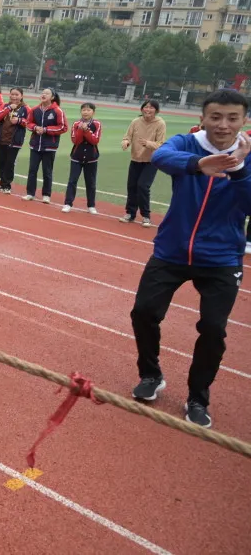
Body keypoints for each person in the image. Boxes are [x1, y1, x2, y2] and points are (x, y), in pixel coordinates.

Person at [130, 90, 251, 428]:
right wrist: (198, 165)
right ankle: (151, 375)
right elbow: (161, 157)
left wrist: (239, 169)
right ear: (204, 118)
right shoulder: (188, 143)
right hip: (172, 250)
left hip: (222, 258)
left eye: (232, 118)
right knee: (143, 312)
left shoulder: (249, 155)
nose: (223, 125)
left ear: (243, 121)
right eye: (215, 117)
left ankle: (198, 397)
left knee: (213, 329)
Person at [120, 99, 167, 227]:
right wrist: (125, 142)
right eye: (146, 107)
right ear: (142, 109)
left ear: (156, 111)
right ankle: (130, 213)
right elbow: (127, 136)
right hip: (135, 159)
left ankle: (146, 216)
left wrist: (148, 143)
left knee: (143, 186)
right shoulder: (136, 121)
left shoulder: (160, 123)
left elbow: (161, 144)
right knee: (132, 186)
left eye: (151, 108)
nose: (148, 110)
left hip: (151, 161)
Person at [22, 89, 68, 204]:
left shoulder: (57, 111)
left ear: (52, 97)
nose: (43, 95)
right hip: (35, 145)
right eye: (42, 93)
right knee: (32, 170)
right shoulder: (34, 110)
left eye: (47, 93)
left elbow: (63, 127)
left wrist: (46, 130)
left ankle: (46, 195)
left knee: (47, 171)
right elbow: (28, 123)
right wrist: (35, 128)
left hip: (49, 146)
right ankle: (30, 193)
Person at [62, 102, 102, 214]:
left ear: (93, 112)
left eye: (88, 110)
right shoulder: (76, 124)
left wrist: (87, 130)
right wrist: (80, 129)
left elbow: (95, 140)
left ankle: (91, 205)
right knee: (72, 181)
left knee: (91, 182)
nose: (86, 112)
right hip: (77, 157)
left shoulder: (97, 124)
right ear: (81, 111)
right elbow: (76, 141)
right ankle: (68, 203)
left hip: (91, 158)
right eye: (84, 110)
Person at [0, 86, 29, 193]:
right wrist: (8, 108)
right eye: (12, 94)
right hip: (2, 138)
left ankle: (7, 185)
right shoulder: (5, 106)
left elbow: (30, 123)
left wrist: (19, 121)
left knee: (9, 163)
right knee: (1, 162)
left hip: (15, 140)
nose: (14, 97)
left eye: (17, 95)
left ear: (21, 96)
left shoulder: (25, 108)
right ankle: (2, 184)